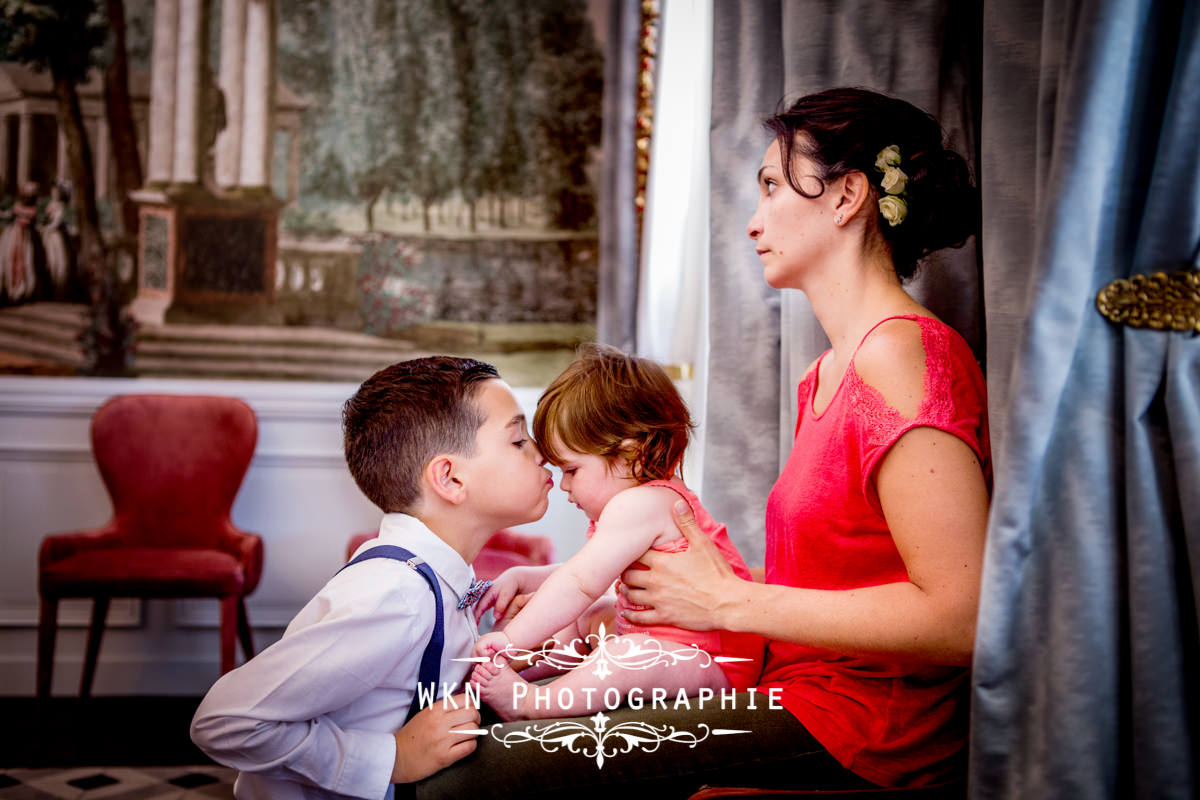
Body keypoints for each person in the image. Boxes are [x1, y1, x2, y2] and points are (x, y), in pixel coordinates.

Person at [417, 87, 988, 798]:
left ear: (846, 196)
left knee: (465, 777)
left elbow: (961, 616)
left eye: (774, 186)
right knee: (463, 727)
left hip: (862, 726)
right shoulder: (826, 374)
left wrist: (724, 606)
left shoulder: (903, 358)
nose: (754, 222)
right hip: (790, 687)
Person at [191, 356, 555, 800]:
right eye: (518, 439)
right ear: (450, 478)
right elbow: (225, 720)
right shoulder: (394, 594)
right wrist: (390, 758)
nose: (543, 453)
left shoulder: (434, 580)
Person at [469, 344, 763, 720]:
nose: (563, 486)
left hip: (716, 664)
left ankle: (532, 702)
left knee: (625, 655)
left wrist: (511, 638)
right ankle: (521, 667)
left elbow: (580, 582)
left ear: (632, 455)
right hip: (666, 644)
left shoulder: (642, 505)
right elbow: (588, 573)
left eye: (572, 470)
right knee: (590, 614)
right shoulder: (635, 504)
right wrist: (529, 576)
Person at [0, 181, 46, 304]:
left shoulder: (33, 210)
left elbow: (29, 220)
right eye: (26, 196)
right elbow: (9, 214)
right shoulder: (17, 207)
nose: (27, 199)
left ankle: (24, 291)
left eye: (30, 196)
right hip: (15, 236)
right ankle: (11, 290)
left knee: (27, 262)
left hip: (27, 238)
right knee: (10, 260)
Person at [40, 182, 72, 299]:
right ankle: (47, 288)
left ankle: (58, 289)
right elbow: (45, 218)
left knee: (57, 261)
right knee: (47, 260)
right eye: (53, 192)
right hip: (47, 235)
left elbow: (56, 222)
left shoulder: (61, 207)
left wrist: (47, 228)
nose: (54, 194)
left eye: (56, 192)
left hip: (54, 235)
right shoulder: (50, 204)